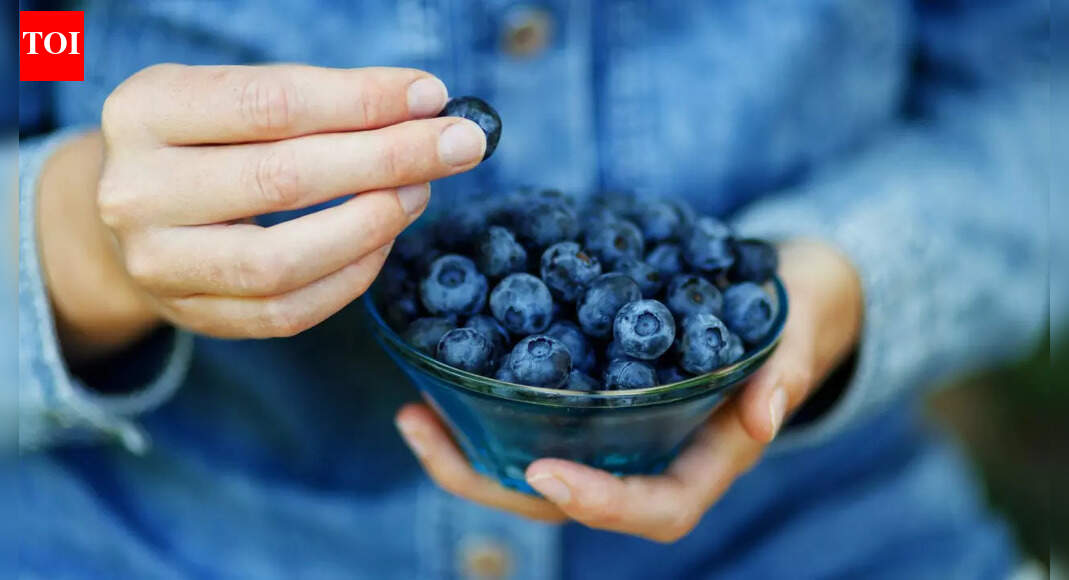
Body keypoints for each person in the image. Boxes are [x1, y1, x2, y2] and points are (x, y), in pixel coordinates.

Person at [14, 1, 1051, 577]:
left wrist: (849, 271)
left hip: (809, 538)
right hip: (161, 539)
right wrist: (76, 237)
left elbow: (1037, 101)